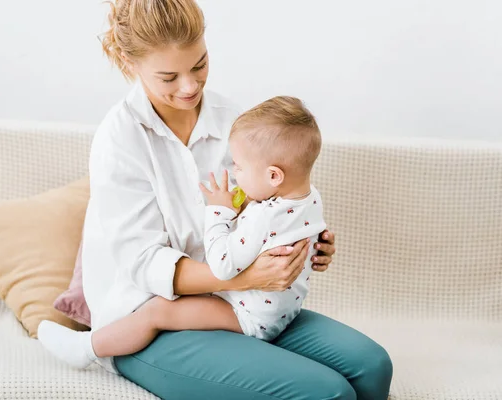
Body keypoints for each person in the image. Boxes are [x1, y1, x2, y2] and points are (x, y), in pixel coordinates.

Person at [38, 0, 393, 399]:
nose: (189, 86)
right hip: (152, 314)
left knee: (372, 368)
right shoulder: (119, 140)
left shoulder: (233, 121)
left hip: (238, 300)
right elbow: (144, 265)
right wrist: (249, 277)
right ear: (129, 62)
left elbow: (264, 204)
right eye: (169, 77)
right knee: (328, 393)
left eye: (200, 64)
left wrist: (305, 241)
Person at [40, 95, 328, 364]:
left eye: (239, 167)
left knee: (157, 311)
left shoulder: (263, 217)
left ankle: (86, 350)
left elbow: (224, 265)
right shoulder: (310, 197)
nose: (235, 173)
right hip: (285, 308)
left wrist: (219, 211)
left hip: (250, 315)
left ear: (274, 175)